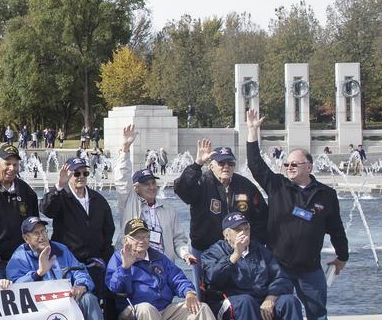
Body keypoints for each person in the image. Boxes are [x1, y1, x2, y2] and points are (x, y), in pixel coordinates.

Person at [246, 109, 348, 320]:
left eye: (295, 164)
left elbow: (335, 227)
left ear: (309, 167)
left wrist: (342, 255)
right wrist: (252, 133)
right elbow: (256, 165)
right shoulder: (278, 185)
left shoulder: (326, 194)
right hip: (279, 265)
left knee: (318, 315)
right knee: (282, 312)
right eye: (287, 164)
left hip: (310, 267)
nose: (289, 167)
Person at [105, 219, 245, 320]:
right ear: (126, 240)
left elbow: (178, 278)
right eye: (137, 237)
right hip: (133, 310)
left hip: (163, 309)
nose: (142, 240)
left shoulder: (159, 258)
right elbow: (113, 288)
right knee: (146, 308)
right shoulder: (118, 258)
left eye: (145, 236)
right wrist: (125, 267)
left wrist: (189, 293)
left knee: (201, 308)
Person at [200, 213, 329, 320]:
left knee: (290, 301)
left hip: (261, 301)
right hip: (228, 302)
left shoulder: (260, 250)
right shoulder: (213, 252)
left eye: (246, 229)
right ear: (227, 234)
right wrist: (235, 255)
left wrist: (271, 297)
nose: (244, 233)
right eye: (239, 230)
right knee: (246, 301)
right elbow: (212, 279)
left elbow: (281, 277)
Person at [6, 217, 132, 320]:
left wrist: (81, 284)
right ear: (26, 238)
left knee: (88, 298)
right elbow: (15, 285)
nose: (42, 236)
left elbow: (79, 270)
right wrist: (39, 273)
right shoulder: (20, 256)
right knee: (64, 307)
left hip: (68, 300)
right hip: (40, 309)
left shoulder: (60, 250)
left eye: (44, 231)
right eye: (36, 233)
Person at [174, 141, 268, 284]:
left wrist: (254, 242)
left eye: (230, 163)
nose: (226, 167)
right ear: (211, 165)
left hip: (239, 249)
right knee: (205, 293)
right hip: (205, 249)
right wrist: (197, 164)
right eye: (221, 163)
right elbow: (182, 189)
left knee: (238, 292)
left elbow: (262, 215)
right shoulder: (201, 182)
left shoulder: (245, 185)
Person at [42, 156, 115, 309]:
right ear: (68, 175)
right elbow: (47, 210)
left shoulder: (98, 199)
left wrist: (104, 257)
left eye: (84, 173)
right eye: (76, 174)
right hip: (68, 263)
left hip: (94, 262)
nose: (81, 177)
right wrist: (59, 187)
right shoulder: (60, 196)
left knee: (96, 300)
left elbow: (108, 230)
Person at [112, 125, 191, 265]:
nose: (152, 187)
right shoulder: (129, 201)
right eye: (146, 184)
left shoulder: (168, 209)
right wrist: (125, 149)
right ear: (136, 188)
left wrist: (185, 254)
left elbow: (178, 238)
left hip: (163, 263)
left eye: (153, 183)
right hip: (135, 262)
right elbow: (122, 179)